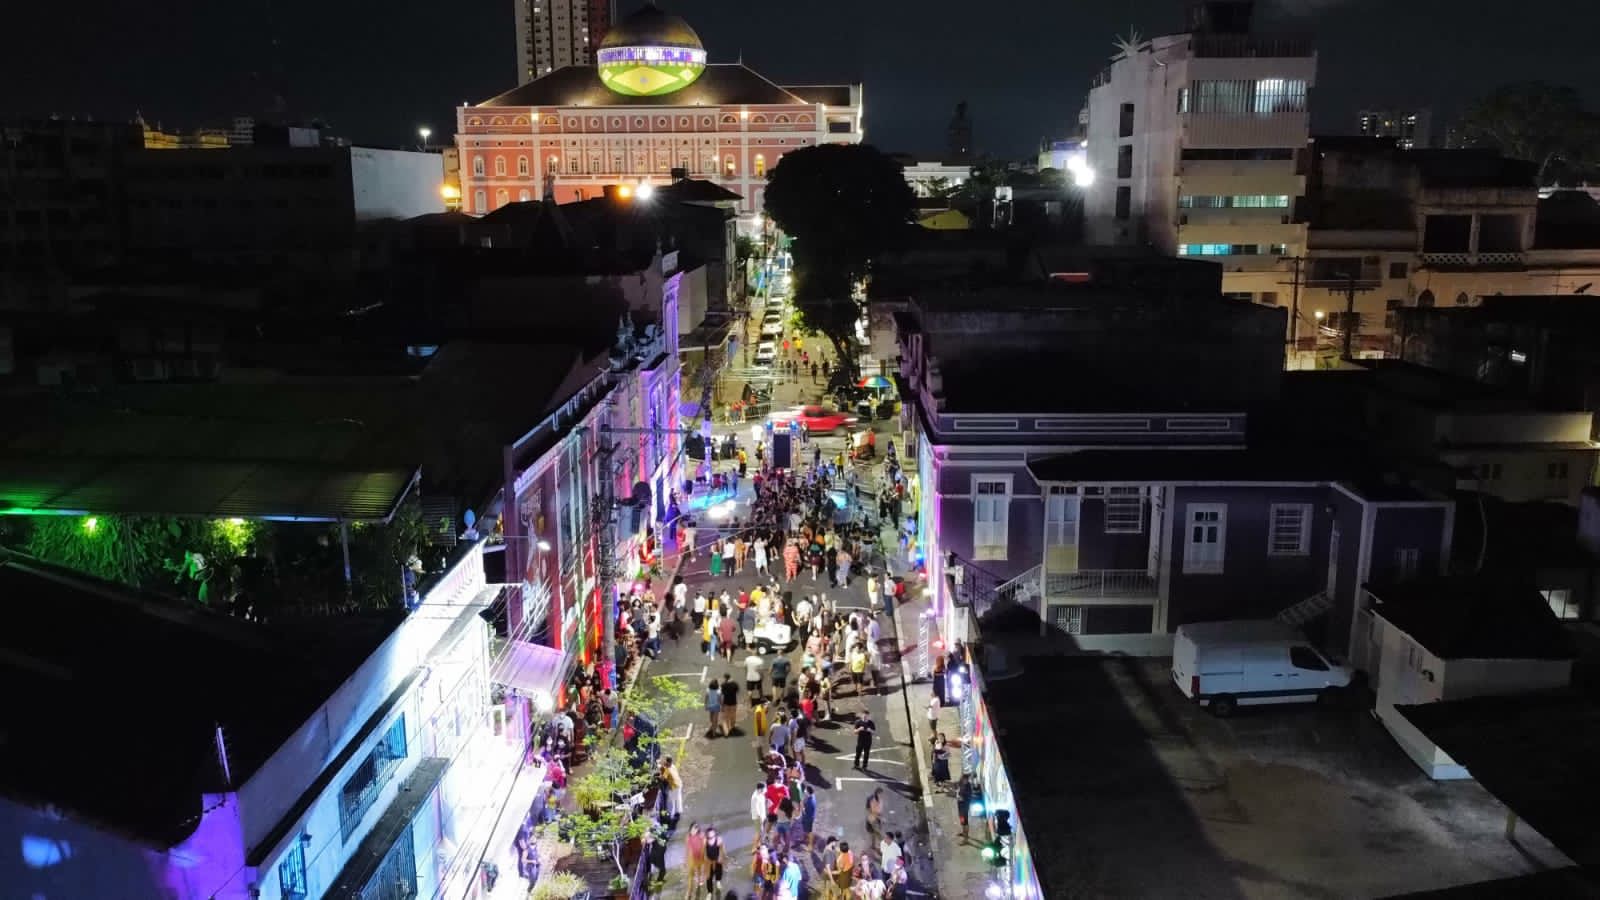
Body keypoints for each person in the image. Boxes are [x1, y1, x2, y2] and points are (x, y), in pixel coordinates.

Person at [685, 824, 707, 900]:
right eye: (693, 828)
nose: (694, 830)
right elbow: (687, 849)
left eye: (696, 828)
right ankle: (689, 892)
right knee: (690, 876)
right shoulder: (688, 837)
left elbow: (704, 846)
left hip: (700, 858)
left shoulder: (701, 836)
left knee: (699, 870)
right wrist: (685, 860)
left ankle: (698, 882)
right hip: (692, 859)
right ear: (690, 829)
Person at [703, 827, 725, 898]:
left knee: (719, 873)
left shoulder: (718, 840)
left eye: (712, 833)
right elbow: (703, 852)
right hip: (709, 862)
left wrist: (722, 858)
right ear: (707, 834)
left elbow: (722, 850)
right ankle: (709, 893)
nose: (711, 834)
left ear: (715, 833)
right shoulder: (705, 841)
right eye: (709, 833)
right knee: (708, 878)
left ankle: (718, 881)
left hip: (717, 861)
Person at [956, 773, 975, 841]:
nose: (962, 780)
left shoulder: (968, 787)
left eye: (964, 779)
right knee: (961, 819)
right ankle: (963, 832)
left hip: (964, 807)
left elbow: (968, 798)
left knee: (965, 822)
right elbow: (958, 789)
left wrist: (960, 798)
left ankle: (966, 838)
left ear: (966, 780)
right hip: (960, 806)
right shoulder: (962, 783)